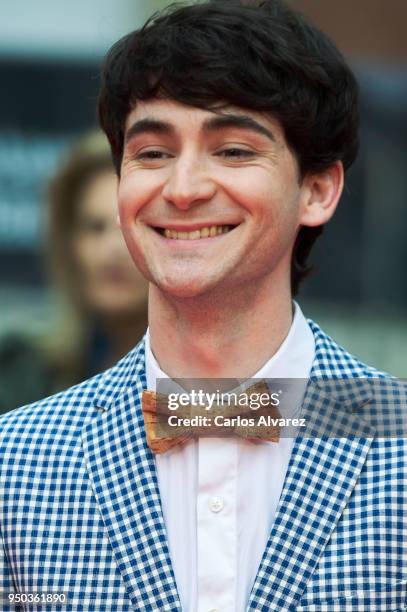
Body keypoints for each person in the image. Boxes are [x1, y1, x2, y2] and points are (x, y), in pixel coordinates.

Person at [0, 2, 406, 611]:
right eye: (153, 153)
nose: (184, 189)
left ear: (318, 190)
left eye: (234, 151)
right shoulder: (17, 466)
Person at [0, 131, 148, 414]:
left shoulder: (210, 384)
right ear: (69, 244)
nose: (112, 250)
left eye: (128, 228)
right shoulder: (19, 374)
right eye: (95, 227)